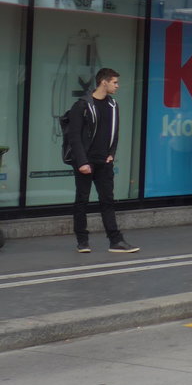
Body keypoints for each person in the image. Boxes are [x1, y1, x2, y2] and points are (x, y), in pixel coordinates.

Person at [67, 68, 138, 254]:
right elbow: (74, 136)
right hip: (85, 162)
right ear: (103, 82)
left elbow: (114, 132)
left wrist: (111, 153)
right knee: (82, 200)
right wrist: (82, 162)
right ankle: (82, 241)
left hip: (104, 162)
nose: (117, 86)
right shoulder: (82, 105)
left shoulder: (113, 105)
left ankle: (116, 241)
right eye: (115, 82)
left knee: (108, 201)